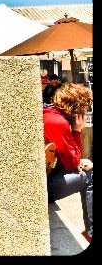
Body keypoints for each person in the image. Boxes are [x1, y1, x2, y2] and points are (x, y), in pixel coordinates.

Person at [43, 82, 93, 243]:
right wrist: (78, 131)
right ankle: (91, 232)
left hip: (44, 180)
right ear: (76, 108)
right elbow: (71, 162)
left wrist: (77, 159)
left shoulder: (50, 114)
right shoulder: (58, 122)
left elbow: (70, 157)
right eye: (84, 109)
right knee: (90, 176)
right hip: (44, 188)